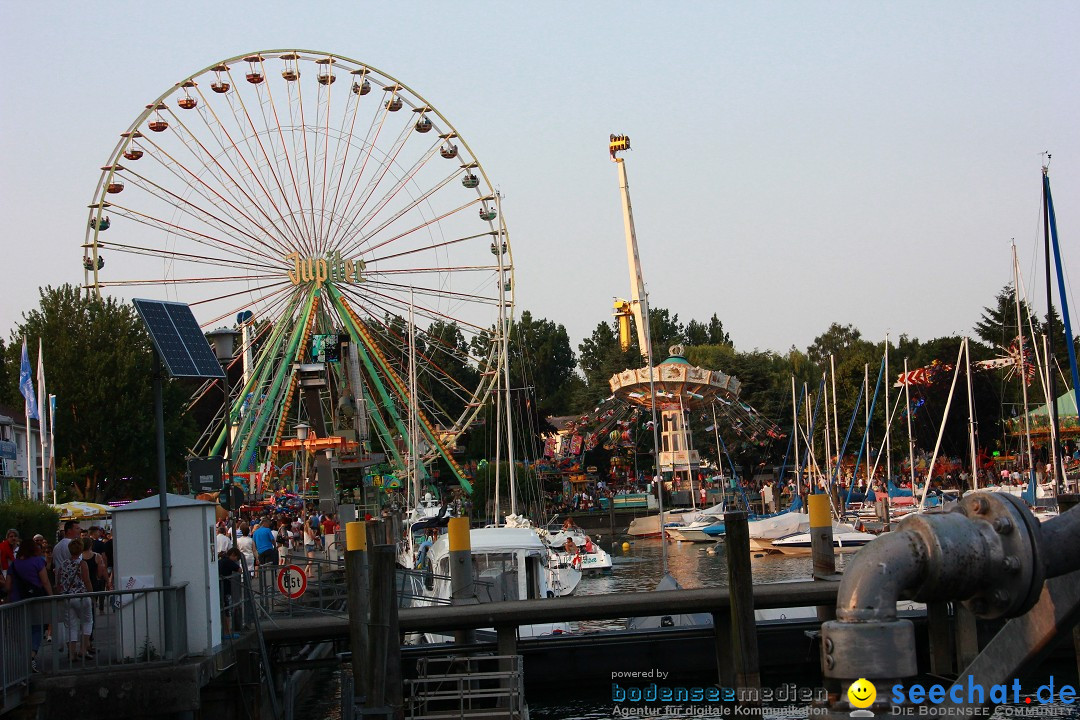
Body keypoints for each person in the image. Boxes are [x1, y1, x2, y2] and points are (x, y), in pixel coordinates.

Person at [5, 538, 53, 671]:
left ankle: (23, 657)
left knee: (19, 630)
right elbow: (45, 581)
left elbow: (8, 587)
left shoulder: (13, 565)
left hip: (17, 602)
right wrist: (51, 596)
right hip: (35, 600)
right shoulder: (38, 562)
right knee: (37, 628)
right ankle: (31, 656)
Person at [57, 538, 93, 661]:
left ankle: (71, 654)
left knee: (70, 626)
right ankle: (83, 650)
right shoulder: (82, 564)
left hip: (67, 597)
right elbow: (86, 580)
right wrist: (92, 594)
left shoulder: (63, 564)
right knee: (87, 622)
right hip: (81, 596)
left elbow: (59, 583)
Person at [218, 547, 242, 639]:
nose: (236, 560)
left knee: (223, 610)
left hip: (219, 588)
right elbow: (239, 570)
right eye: (236, 558)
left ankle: (225, 631)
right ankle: (227, 632)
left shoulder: (221, 560)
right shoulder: (228, 561)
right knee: (226, 610)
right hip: (225, 589)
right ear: (233, 555)